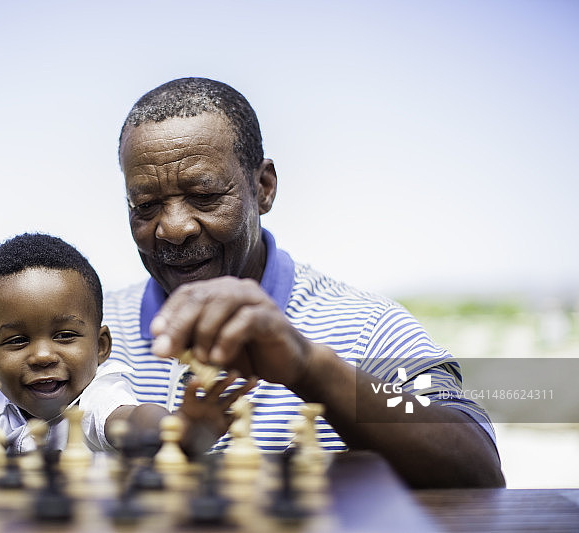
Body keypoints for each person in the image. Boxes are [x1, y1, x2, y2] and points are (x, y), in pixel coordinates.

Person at [104, 77, 505, 488]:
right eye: (146, 205)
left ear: (263, 188)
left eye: (204, 196)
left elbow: (478, 468)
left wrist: (311, 369)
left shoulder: (368, 328)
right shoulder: (89, 334)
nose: (174, 228)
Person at [0, 232, 251, 455]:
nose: (43, 355)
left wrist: (177, 428)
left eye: (65, 335)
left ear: (101, 346)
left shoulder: (96, 400)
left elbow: (132, 419)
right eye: (17, 341)